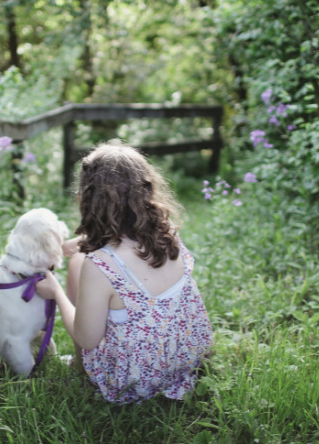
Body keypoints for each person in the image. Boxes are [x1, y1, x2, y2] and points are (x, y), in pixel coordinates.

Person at [36, 141, 213, 404]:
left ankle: (80, 365)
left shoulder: (99, 265)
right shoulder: (168, 234)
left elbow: (87, 339)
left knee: (77, 264)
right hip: (188, 358)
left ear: (84, 200)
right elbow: (124, 248)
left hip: (134, 379)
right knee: (81, 259)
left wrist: (57, 294)